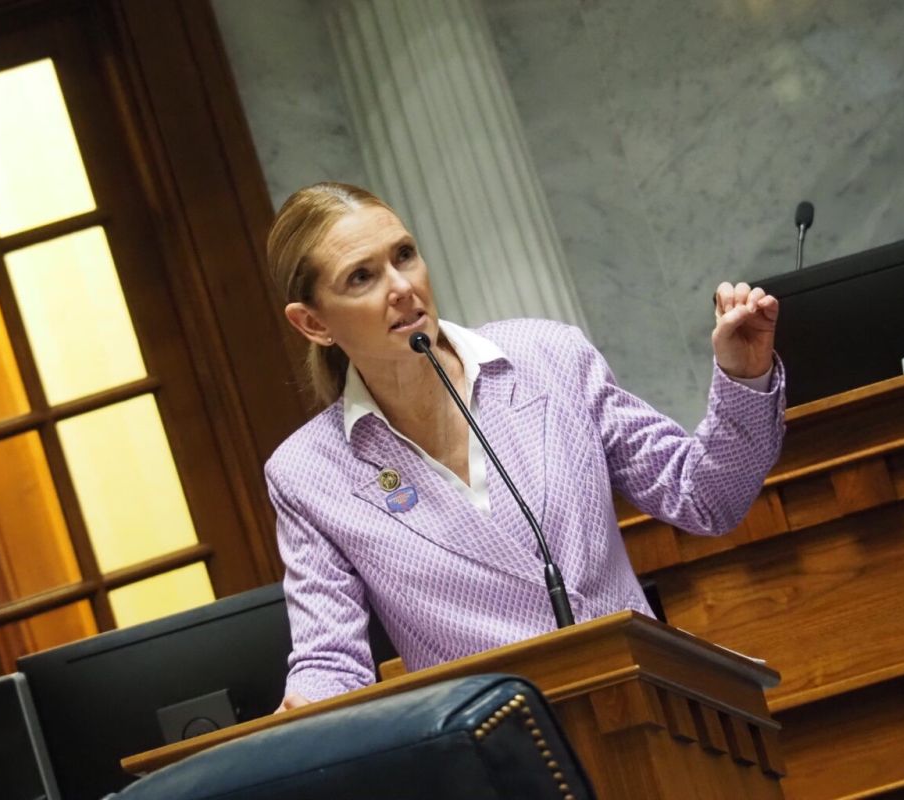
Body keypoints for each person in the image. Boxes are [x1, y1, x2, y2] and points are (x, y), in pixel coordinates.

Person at [263, 182, 785, 711]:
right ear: (313, 322)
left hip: (656, 712)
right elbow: (332, 660)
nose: (402, 287)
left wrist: (744, 377)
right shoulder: (309, 473)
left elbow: (703, 497)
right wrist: (295, 720)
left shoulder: (548, 358)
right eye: (362, 277)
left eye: (405, 255)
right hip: (503, 755)